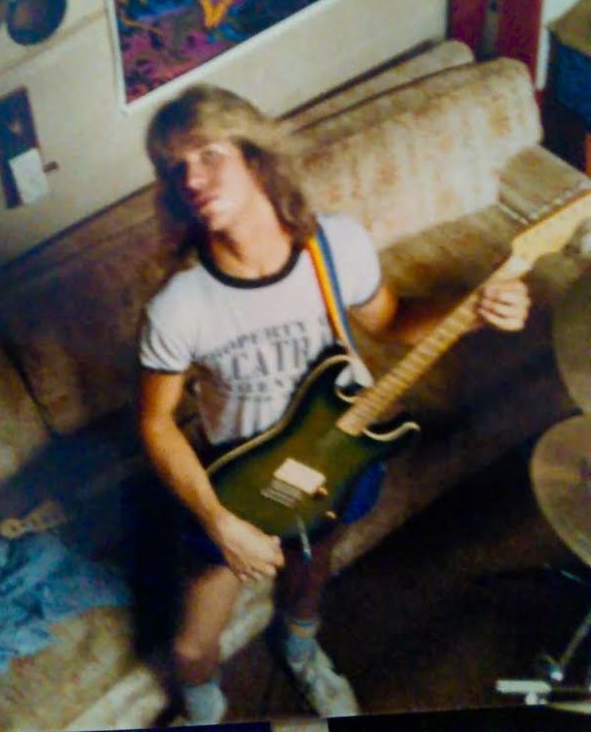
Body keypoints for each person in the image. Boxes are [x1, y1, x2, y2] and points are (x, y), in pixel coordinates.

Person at [138, 84, 530, 723]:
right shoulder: (178, 305)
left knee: (313, 562)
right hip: (239, 483)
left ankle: (300, 650)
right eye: (175, 168)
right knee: (191, 644)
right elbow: (156, 423)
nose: (192, 179)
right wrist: (220, 523)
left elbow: (393, 320)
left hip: (340, 451)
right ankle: (204, 710)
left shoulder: (335, 246)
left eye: (208, 155)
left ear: (255, 157)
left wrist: (476, 307)